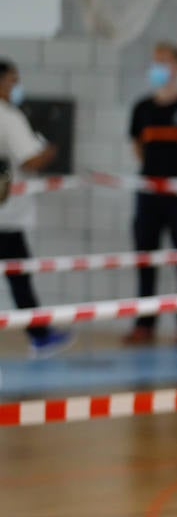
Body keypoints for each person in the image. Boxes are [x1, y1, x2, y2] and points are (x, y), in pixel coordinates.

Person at [123, 40, 177, 345]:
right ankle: (144, 324)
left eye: (164, 61)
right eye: (155, 61)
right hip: (148, 196)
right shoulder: (142, 109)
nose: (159, 67)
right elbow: (138, 148)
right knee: (146, 258)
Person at [0, 59, 72, 358]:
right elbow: (30, 161)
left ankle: (40, 333)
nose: (17, 86)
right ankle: (40, 335)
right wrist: (52, 151)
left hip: (8, 215)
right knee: (20, 274)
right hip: (6, 218)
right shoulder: (7, 117)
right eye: (12, 80)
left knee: (20, 275)